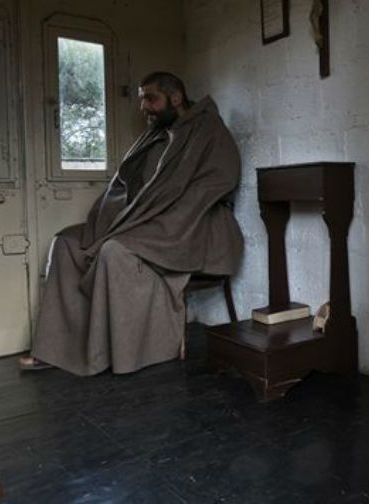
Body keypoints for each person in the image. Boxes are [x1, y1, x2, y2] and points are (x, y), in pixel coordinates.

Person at [18, 72, 243, 375]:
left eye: (151, 98)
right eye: (141, 99)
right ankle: (56, 350)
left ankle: (110, 354)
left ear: (175, 97)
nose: (144, 107)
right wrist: (121, 217)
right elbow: (125, 185)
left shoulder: (209, 130)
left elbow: (217, 183)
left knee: (114, 250)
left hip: (187, 225)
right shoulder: (153, 134)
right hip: (140, 219)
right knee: (66, 242)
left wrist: (156, 216)